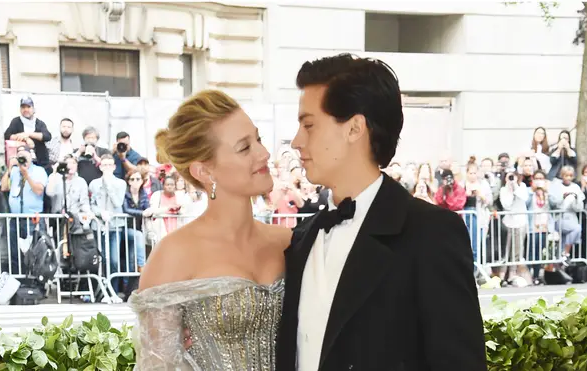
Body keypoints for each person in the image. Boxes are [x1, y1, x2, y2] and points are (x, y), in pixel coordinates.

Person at [276, 53, 486, 371]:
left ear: (354, 128)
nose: (296, 141)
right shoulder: (302, 239)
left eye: (308, 125)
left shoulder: (430, 234)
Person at [129, 90, 290, 370]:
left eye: (258, 139)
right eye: (244, 147)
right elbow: (159, 364)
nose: (264, 153)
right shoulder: (173, 254)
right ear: (204, 172)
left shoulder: (289, 241)